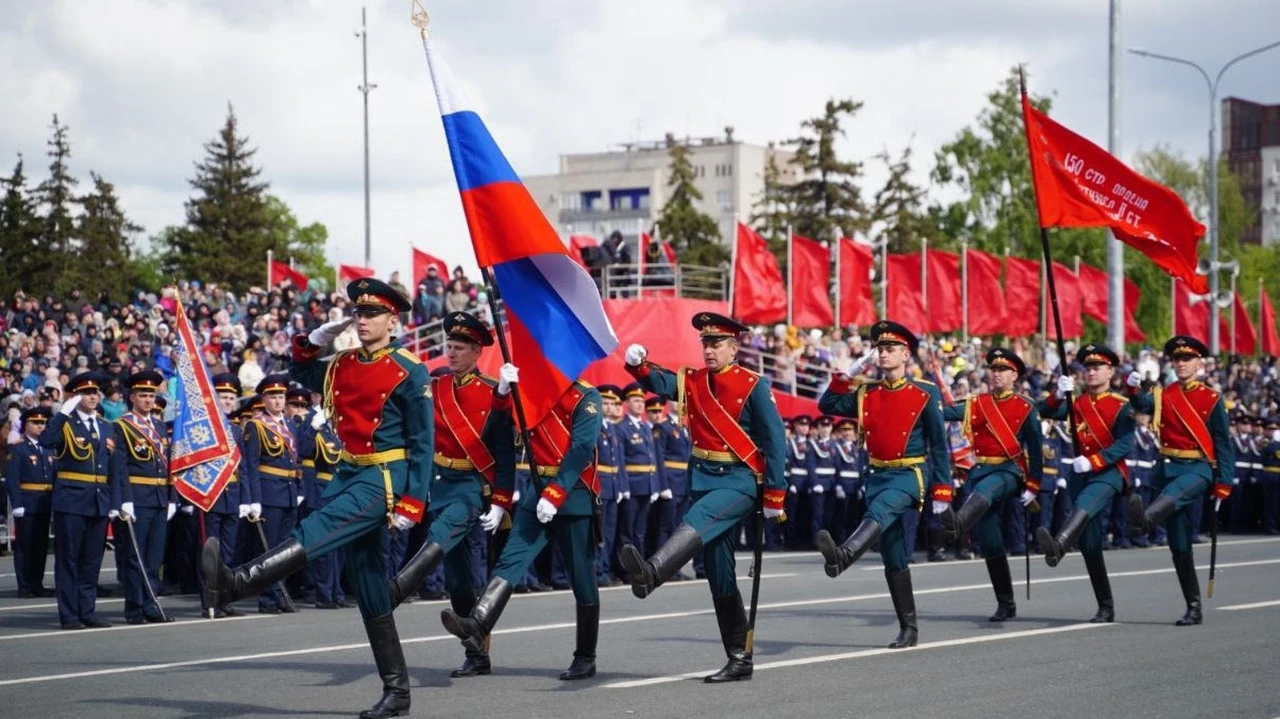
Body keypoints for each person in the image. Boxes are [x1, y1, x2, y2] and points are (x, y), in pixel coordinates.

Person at [202, 278, 432, 719]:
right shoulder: (342, 363)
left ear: (393, 320)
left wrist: (412, 502)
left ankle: (236, 583)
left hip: (383, 476)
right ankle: (398, 692)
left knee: (320, 528)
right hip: (349, 472)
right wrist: (314, 340)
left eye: (372, 315)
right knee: (368, 586)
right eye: (358, 314)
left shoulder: (410, 370)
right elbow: (301, 369)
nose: (362, 322)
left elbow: (422, 443)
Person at [617, 312, 787, 682]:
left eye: (717, 344)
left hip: (740, 480)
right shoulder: (692, 381)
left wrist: (775, 494)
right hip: (705, 478)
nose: (709, 351)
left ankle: (653, 571)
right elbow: (660, 381)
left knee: (700, 518)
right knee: (719, 574)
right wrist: (638, 364)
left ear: (734, 347)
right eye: (705, 344)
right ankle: (739, 657)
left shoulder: (753, 385)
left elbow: (774, 441)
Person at [440, 378, 603, 682]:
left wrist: (556, 494)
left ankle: (585, 657)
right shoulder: (531, 391)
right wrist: (502, 393)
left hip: (573, 494)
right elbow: (499, 424)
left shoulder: (586, 396)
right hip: (536, 490)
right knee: (510, 561)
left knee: (582, 578)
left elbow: (581, 449)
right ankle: (477, 623)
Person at [388, 311, 516, 679]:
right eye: (449, 346)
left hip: (471, 488)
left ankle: (398, 589)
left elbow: (504, 452)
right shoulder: (436, 388)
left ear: (478, 352)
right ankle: (477, 653)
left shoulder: (494, 393)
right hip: (442, 485)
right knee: (459, 580)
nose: (452, 353)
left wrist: (502, 499)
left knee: (440, 534)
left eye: (460, 347)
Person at [814, 321, 952, 649]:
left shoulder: (924, 392)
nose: (884, 353)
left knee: (881, 510)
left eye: (891, 349)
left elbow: (938, 444)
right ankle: (909, 628)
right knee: (893, 556)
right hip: (876, 476)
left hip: (908, 475)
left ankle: (845, 555)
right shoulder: (867, 392)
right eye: (880, 348)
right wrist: (851, 370)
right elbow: (827, 406)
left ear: (906, 354)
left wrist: (942, 490)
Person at [1125, 336, 1234, 626]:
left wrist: (1224, 481)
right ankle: (1193, 606)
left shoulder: (1212, 398)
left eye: (1188, 359)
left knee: (1174, 494)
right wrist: (1132, 386)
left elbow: (1223, 444)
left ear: (1199, 363)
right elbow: (1142, 404)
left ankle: (1144, 520)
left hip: (1198, 468)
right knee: (1179, 544)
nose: (1182, 363)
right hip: (1168, 466)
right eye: (1178, 359)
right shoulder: (1164, 393)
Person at [938, 348, 1043, 622]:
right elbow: (947, 413)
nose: (996, 374)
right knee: (990, 542)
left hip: (1009, 471)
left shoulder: (1025, 407)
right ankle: (1005, 603)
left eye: (1002, 370)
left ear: (1014, 375)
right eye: (993, 370)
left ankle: (957, 523)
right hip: (982, 470)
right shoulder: (978, 402)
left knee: (986, 491)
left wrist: (1033, 485)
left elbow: (1036, 449)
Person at [1035, 343, 1134, 623]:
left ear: (1110, 371)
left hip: (1109, 473)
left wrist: (1095, 461)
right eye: (1087, 368)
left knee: (1087, 502)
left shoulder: (1121, 406)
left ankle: (1059, 545)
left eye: (1097, 367)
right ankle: (1106, 606)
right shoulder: (1075, 403)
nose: (1091, 372)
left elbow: (1126, 444)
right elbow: (1044, 411)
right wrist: (1057, 394)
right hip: (1081, 475)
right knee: (1091, 545)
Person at [43, 371, 121, 629]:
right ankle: (69, 614)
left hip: (98, 500)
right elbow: (46, 441)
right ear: (74, 397)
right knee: (69, 559)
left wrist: (115, 502)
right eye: (86, 393)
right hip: (72, 501)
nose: (92, 396)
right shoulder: (66, 424)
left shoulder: (106, 426)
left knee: (91, 560)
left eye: (95, 392)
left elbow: (114, 469)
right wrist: (62, 414)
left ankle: (87, 611)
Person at [112, 370, 176, 624]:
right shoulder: (122, 426)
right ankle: (135, 607)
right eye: (143, 395)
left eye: (151, 395)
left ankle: (151, 603)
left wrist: (172, 497)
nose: (149, 400)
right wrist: (124, 499)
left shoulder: (159, 426)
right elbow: (120, 467)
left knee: (154, 557)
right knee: (134, 556)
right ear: (132, 397)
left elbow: (169, 464)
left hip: (160, 497)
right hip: (137, 497)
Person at [242, 374, 303, 614]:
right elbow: (251, 465)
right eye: (273, 397)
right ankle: (268, 598)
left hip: (288, 491)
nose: (278, 401)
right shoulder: (257, 425)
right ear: (264, 399)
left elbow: (295, 460)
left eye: (281, 396)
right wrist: (253, 499)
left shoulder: (289, 425)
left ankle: (281, 593)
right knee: (268, 549)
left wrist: (298, 489)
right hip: (268, 492)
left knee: (284, 549)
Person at [201, 373, 250, 618]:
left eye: (232, 397)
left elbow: (243, 467)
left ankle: (224, 600)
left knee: (228, 553)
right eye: (224, 397)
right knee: (211, 552)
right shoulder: (205, 429)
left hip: (232, 496)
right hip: (212, 495)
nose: (229, 401)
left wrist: (246, 498)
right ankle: (209, 601)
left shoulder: (235, 430)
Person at [5, 407, 55, 598]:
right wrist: (17, 503)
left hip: (45, 502)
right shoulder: (18, 448)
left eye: (43, 423)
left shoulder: (48, 448)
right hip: (27, 502)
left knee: (41, 545)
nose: (40, 426)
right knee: (25, 545)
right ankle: (24, 585)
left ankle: (37, 583)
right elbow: (12, 479)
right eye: (36, 423)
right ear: (26, 425)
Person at [618, 383, 659, 557]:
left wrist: (655, 486)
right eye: (636, 401)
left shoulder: (644, 427)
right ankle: (625, 568)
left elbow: (653, 458)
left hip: (647, 485)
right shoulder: (622, 427)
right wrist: (624, 486)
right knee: (627, 530)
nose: (640, 404)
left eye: (642, 401)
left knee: (640, 531)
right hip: (632, 484)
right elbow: (620, 460)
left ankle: (639, 566)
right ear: (626, 403)